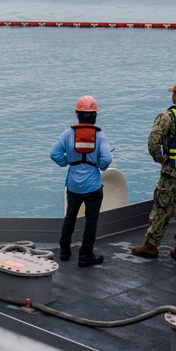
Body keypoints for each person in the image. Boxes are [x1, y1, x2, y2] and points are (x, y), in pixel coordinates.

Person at [131, 81, 176, 264]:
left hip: (172, 171)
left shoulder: (167, 117)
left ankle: (151, 246)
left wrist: (160, 158)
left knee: (162, 208)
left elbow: (153, 142)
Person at [50, 95, 113, 267]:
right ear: (95, 115)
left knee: (70, 216)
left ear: (77, 114)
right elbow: (107, 159)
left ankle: (64, 250)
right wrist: (100, 165)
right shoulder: (100, 136)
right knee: (91, 221)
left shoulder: (67, 134)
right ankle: (85, 254)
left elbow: (54, 154)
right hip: (93, 185)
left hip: (73, 184)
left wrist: (67, 162)